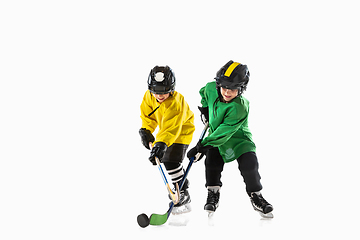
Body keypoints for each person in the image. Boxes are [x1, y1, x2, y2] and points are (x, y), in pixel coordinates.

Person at [187, 60, 274, 217]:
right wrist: (206, 109)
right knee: (212, 164)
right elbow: (204, 93)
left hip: (238, 139)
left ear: (241, 89)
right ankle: (213, 193)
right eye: (224, 87)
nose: (227, 92)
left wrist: (202, 146)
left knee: (250, 166)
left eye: (233, 89)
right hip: (215, 137)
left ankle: (256, 196)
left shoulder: (240, 107)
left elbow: (224, 131)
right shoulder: (211, 89)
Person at [139, 65, 195, 213]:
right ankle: (181, 190)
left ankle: (183, 192)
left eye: (163, 92)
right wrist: (146, 130)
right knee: (166, 160)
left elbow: (172, 127)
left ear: (172, 88)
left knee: (171, 160)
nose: (159, 96)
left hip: (181, 131)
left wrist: (161, 143)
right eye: (156, 92)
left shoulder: (176, 102)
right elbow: (148, 116)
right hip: (166, 133)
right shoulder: (149, 96)